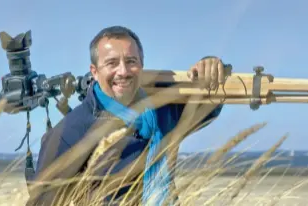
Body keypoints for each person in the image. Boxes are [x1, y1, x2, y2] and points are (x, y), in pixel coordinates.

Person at [26, 25, 226, 206]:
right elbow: (42, 202)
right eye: (112, 63)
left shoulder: (162, 109)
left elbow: (207, 109)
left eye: (131, 61)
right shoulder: (70, 130)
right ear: (94, 72)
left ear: (141, 65)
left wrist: (209, 66)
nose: (123, 71)